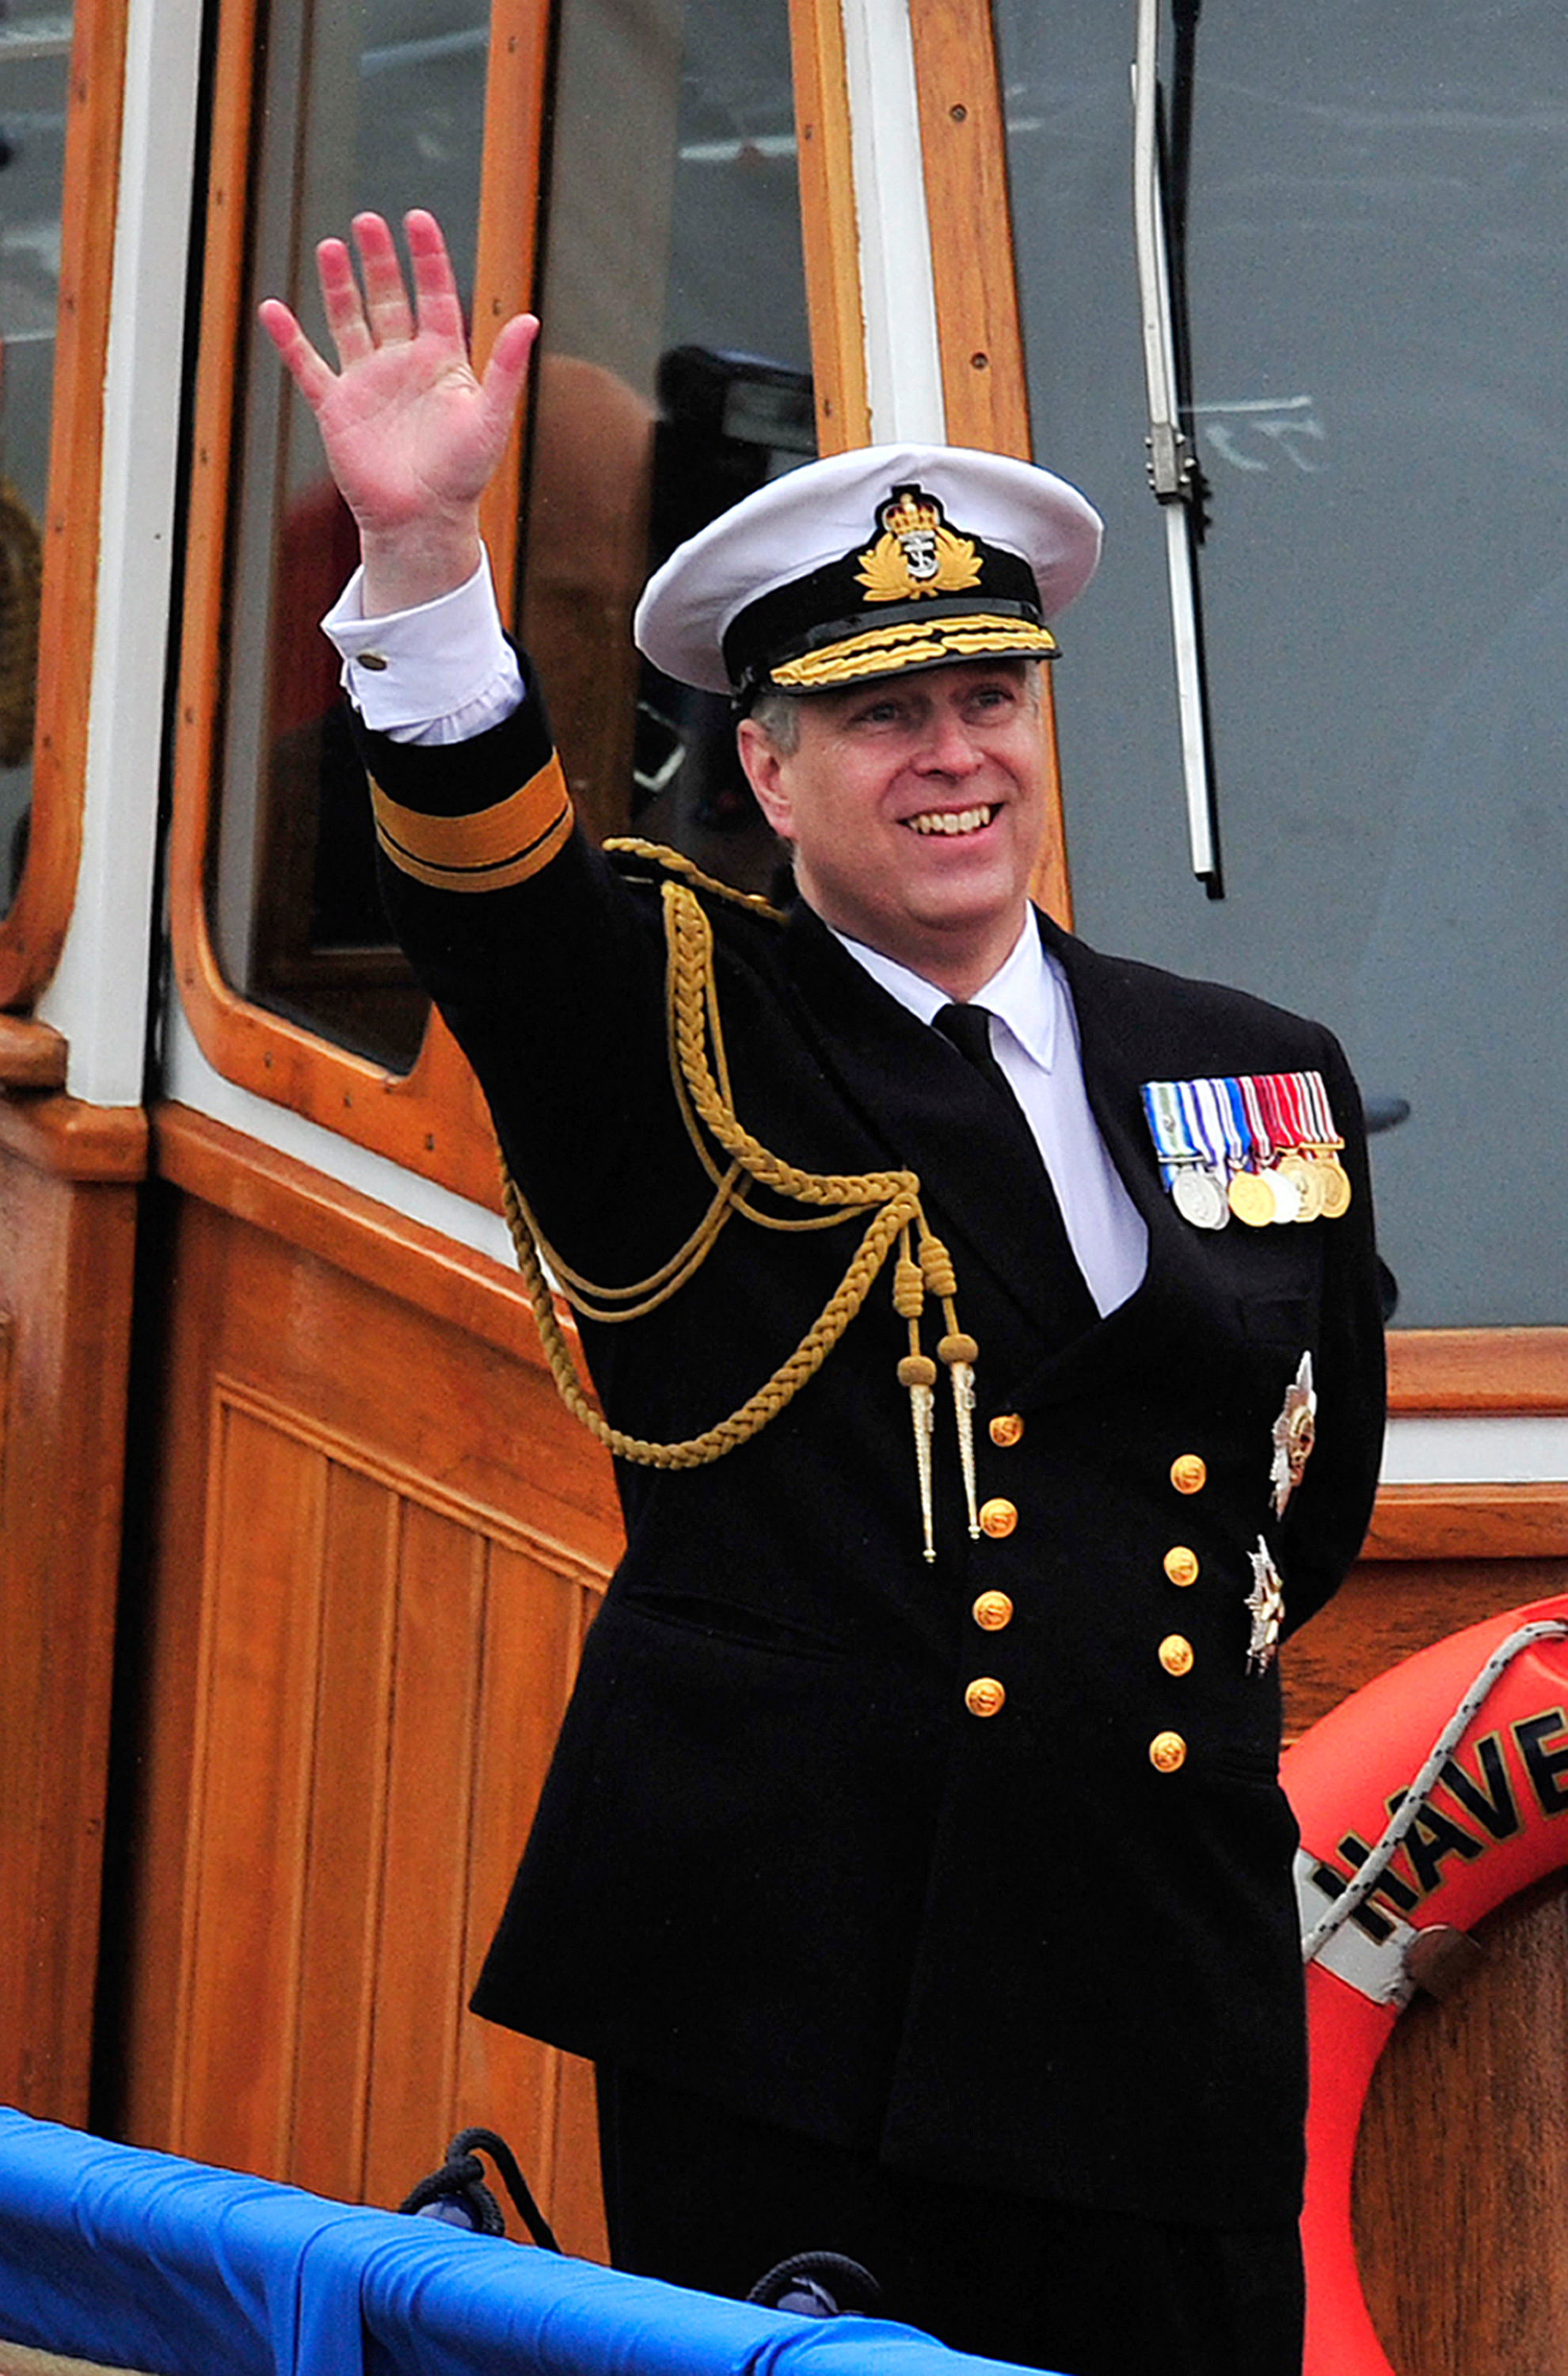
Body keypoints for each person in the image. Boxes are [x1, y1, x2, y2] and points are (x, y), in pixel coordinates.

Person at [261, 211, 1385, 2376]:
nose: (950, 753)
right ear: (766, 774)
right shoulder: (684, 1029)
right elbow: (494, 894)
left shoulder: (1248, 1067)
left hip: (1161, 2003)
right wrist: (418, 567)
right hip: (800, 2014)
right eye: (878, 715)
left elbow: (1288, 1521)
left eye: (988, 695)